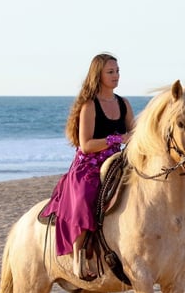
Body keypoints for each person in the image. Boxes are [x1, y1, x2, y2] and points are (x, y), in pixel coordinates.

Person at [40, 52, 135, 280]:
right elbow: (86, 144)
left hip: (117, 161)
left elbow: (133, 132)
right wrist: (116, 139)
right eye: (110, 72)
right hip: (89, 165)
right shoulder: (90, 105)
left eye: (117, 71)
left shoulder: (123, 103)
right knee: (85, 195)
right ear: (98, 75)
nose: (116, 76)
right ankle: (77, 256)